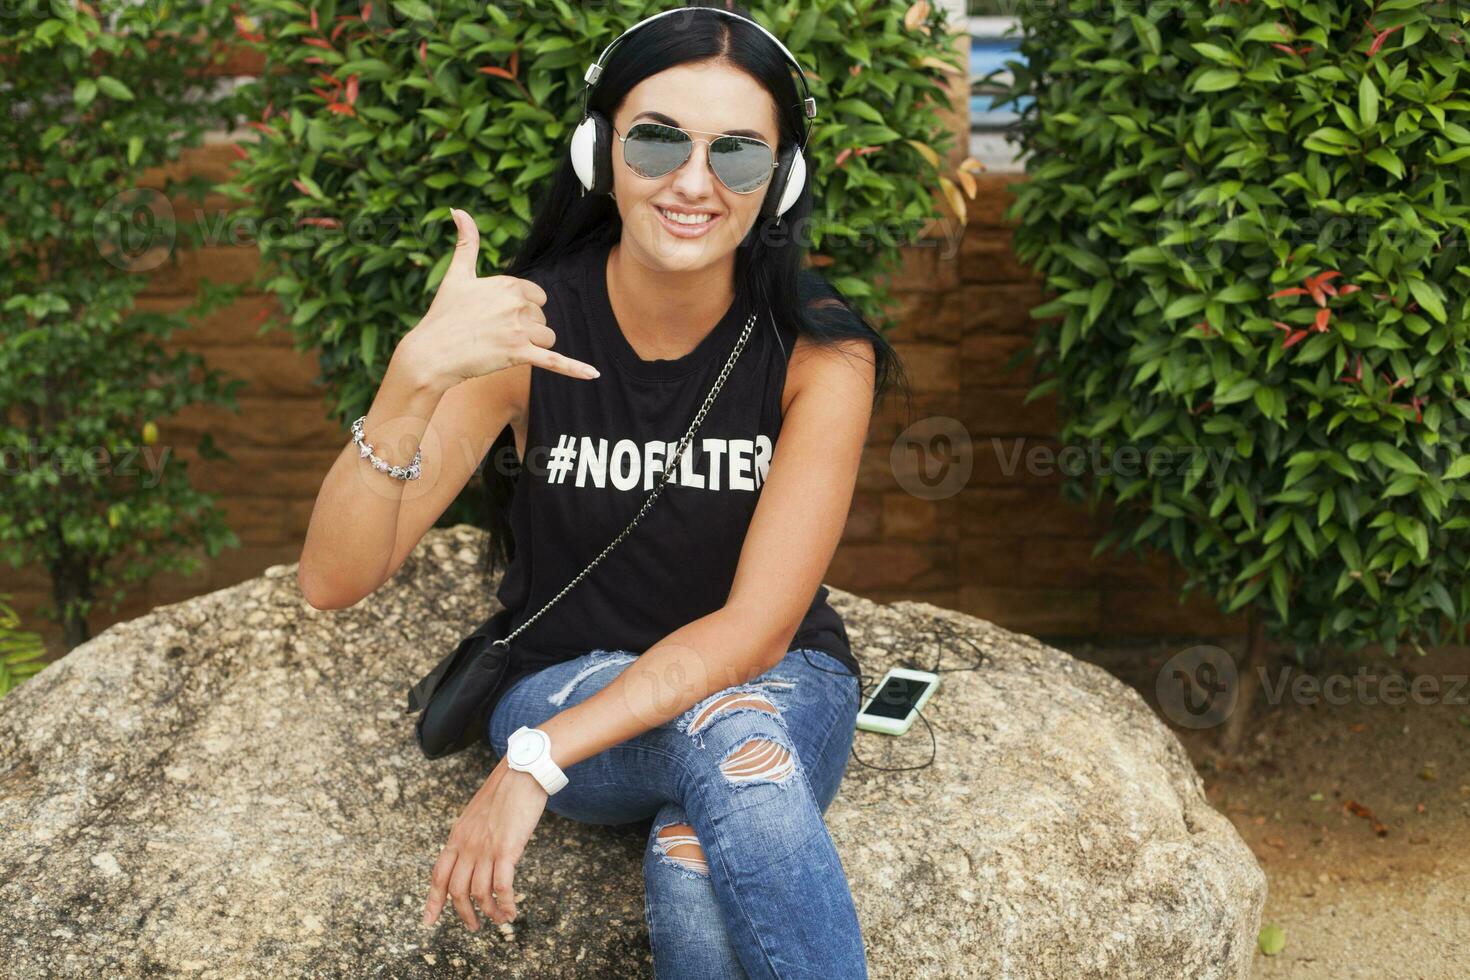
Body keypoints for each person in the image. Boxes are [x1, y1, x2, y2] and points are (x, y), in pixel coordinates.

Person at [297, 3, 908, 976]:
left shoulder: (820, 352)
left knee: (694, 842)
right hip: (564, 673)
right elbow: (333, 577)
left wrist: (536, 760)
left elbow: (753, 633)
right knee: (732, 744)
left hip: (780, 681)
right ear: (599, 150)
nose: (696, 183)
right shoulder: (526, 329)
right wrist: (411, 376)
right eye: (658, 140)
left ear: (780, 179)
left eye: (740, 153)